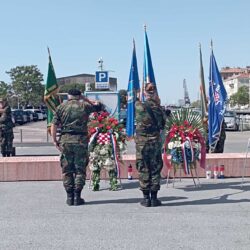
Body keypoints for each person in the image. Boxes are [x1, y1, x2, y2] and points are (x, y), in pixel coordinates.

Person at [51, 88, 105, 206]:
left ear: (68, 96)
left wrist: (54, 140)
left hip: (65, 140)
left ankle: (69, 197)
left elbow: (54, 124)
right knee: (80, 169)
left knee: (67, 169)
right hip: (81, 141)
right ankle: (77, 196)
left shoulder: (61, 107)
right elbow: (100, 107)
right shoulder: (85, 106)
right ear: (79, 96)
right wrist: (86, 99)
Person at [135, 83, 166, 207]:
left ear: (145, 94)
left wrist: (139, 96)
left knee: (143, 168)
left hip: (142, 143)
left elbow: (135, 102)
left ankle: (146, 198)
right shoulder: (159, 108)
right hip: (155, 142)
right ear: (155, 94)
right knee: (155, 168)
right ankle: (154, 198)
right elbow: (163, 125)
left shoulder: (138, 106)